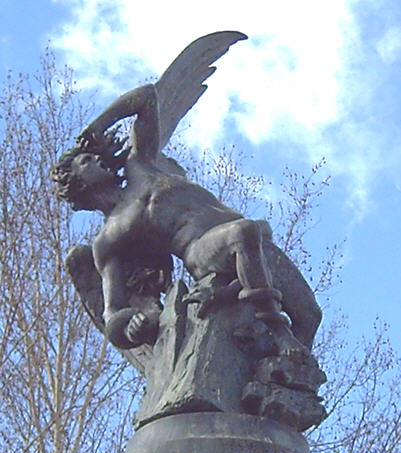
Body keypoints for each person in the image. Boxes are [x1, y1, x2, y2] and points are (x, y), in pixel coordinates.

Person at [52, 84, 288, 348]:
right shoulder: (108, 239)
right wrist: (132, 328)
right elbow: (112, 311)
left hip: (254, 243)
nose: (97, 160)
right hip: (202, 250)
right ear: (78, 183)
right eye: (86, 161)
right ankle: (278, 329)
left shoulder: (139, 165)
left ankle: (246, 308)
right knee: (241, 232)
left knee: (311, 316)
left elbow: (147, 97)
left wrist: (99, 124)